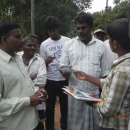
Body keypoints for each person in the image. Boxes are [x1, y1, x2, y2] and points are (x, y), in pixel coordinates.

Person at [73, 18, 130, 130]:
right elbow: (111, 83)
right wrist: (87, 77)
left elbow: (108, 109)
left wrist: (90, 101)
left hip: (113, 124)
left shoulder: (121, 71)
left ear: (114, 44)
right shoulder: (125, 64)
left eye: (108, 38)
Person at [60, 12, 109, 130]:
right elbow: (62, 67)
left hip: (94, 95)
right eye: (78, 28)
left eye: (83, 28)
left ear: (91, 27)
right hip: (75, 95)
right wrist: (65, 72)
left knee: (94, 126)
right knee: (75, 126)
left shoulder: (101, 46)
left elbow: (105, 73)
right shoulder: (68, 45)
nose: (80, 31)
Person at [0, 21, 47, 130]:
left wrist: (36, 91)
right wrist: (28, 101)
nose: (22, 40)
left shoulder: (17, 58)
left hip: (32, 121)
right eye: (18, 37)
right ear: (4, 39)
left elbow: (24, 84)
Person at [40, 16, 71, 130]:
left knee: (65, 106)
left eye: (54, 30)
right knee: (50, 107)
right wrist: (46, 61)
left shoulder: (68, 41)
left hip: (65, 80)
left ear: (58, 28)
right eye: (49, 31)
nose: (52, 33)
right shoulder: (44, 44)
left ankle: (65, 127)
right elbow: (42, 64)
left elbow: (72, 59)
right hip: (50, 80)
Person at [20, 35, 47, 130]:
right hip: (22, 98)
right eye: (29, 45)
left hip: (38, 98)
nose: (33, 47)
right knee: (23, 122)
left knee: (39, 124)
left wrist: (23, 80)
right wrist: (30, 78)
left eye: (34, 45)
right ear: (22, 46)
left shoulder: (40, 61)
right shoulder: (16, 59)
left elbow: (42, 80)